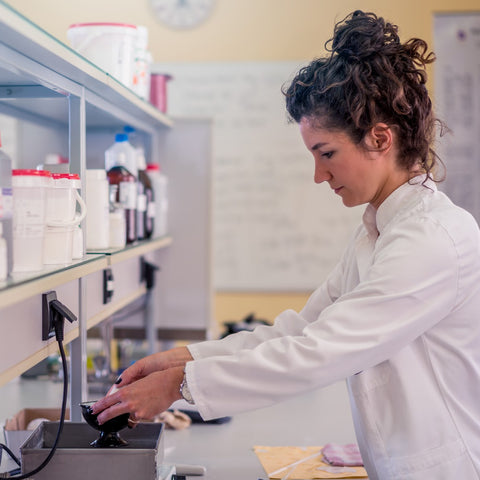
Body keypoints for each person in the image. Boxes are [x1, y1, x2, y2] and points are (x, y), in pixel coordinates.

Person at [92, 10, 480, 478]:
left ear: (380, 138)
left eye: (326, 154)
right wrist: (182, 358)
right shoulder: (378, 232)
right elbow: (297, 331)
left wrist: (181, 384)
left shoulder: (433, 239)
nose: (319, 175)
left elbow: (321, 351)